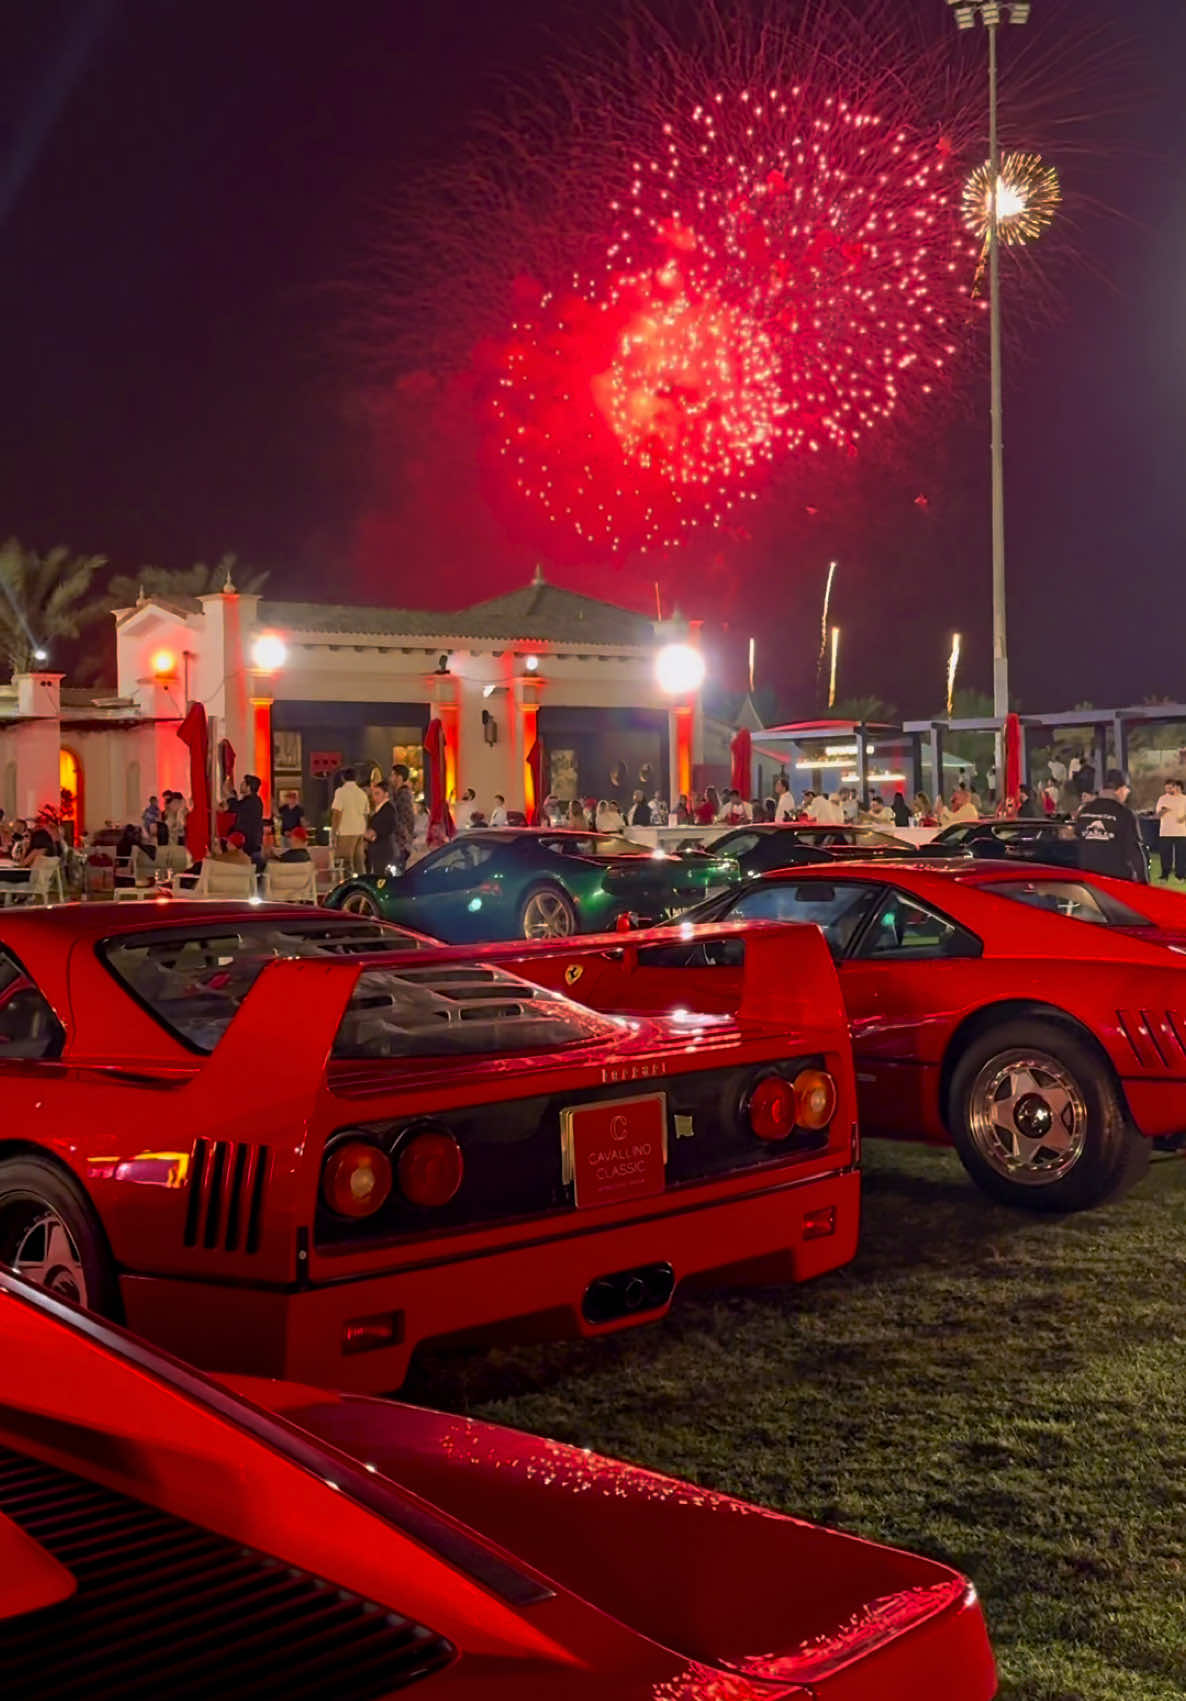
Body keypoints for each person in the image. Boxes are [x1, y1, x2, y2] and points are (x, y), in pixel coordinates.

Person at [1075, 769, 1147, 883]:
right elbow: (1135, 851)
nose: (1127, 793)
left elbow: (1077, 838)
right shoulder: (1124, 814)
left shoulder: (1084, 811)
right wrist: (1143, 881)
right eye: (1127, 789)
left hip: (1089, 880)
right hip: (1116, 880)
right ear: (1120, 789)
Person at [331, 768, 369, 873]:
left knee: (345, 863)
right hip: (360, 831)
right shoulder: (362, 793)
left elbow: (337, 813)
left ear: (343, 778)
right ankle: (362, 884)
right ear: (356, 779)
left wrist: (334, 832)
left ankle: (347, 886)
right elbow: (366, 814)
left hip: (346, 832)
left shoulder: (340, 792)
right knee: (359, 862)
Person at [1155, 778, 1186, 882]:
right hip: (1165, 831)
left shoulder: (1184, 798)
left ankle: (1180, 875)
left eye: (1170, 787)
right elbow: (1158, 815)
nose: (1168, 790)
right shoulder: (1162, 799)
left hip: (1181, 831)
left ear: (1175, 787)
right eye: (1166, 788)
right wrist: (1164, 811)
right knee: (1165, 854)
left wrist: (1183, 818)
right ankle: (1165, 875)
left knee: (1181, 855)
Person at [365, 781, 398, 874]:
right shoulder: (379, 808)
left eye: (377, 793)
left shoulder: (388, 809)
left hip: (384, 849)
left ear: (386, 794)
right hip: (379, 849)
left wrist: (372, 834)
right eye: (373, 794)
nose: (374, 797)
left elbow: (387, 827)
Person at [390, 763, 416, 868]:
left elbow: (404, 818)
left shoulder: (403, 795)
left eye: (392, 775)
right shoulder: (399, 793)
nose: (390, 778)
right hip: (401, 840)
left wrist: (404, 836)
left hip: (400, 841)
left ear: (399, 777)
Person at [235, 774, 265, 863]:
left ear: (248, 787)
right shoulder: (255, 800)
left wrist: (228, 794)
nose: (241, 785)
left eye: (243, 784)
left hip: (249, 843)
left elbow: (233, 806)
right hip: (254, 842)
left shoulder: (249, 801)